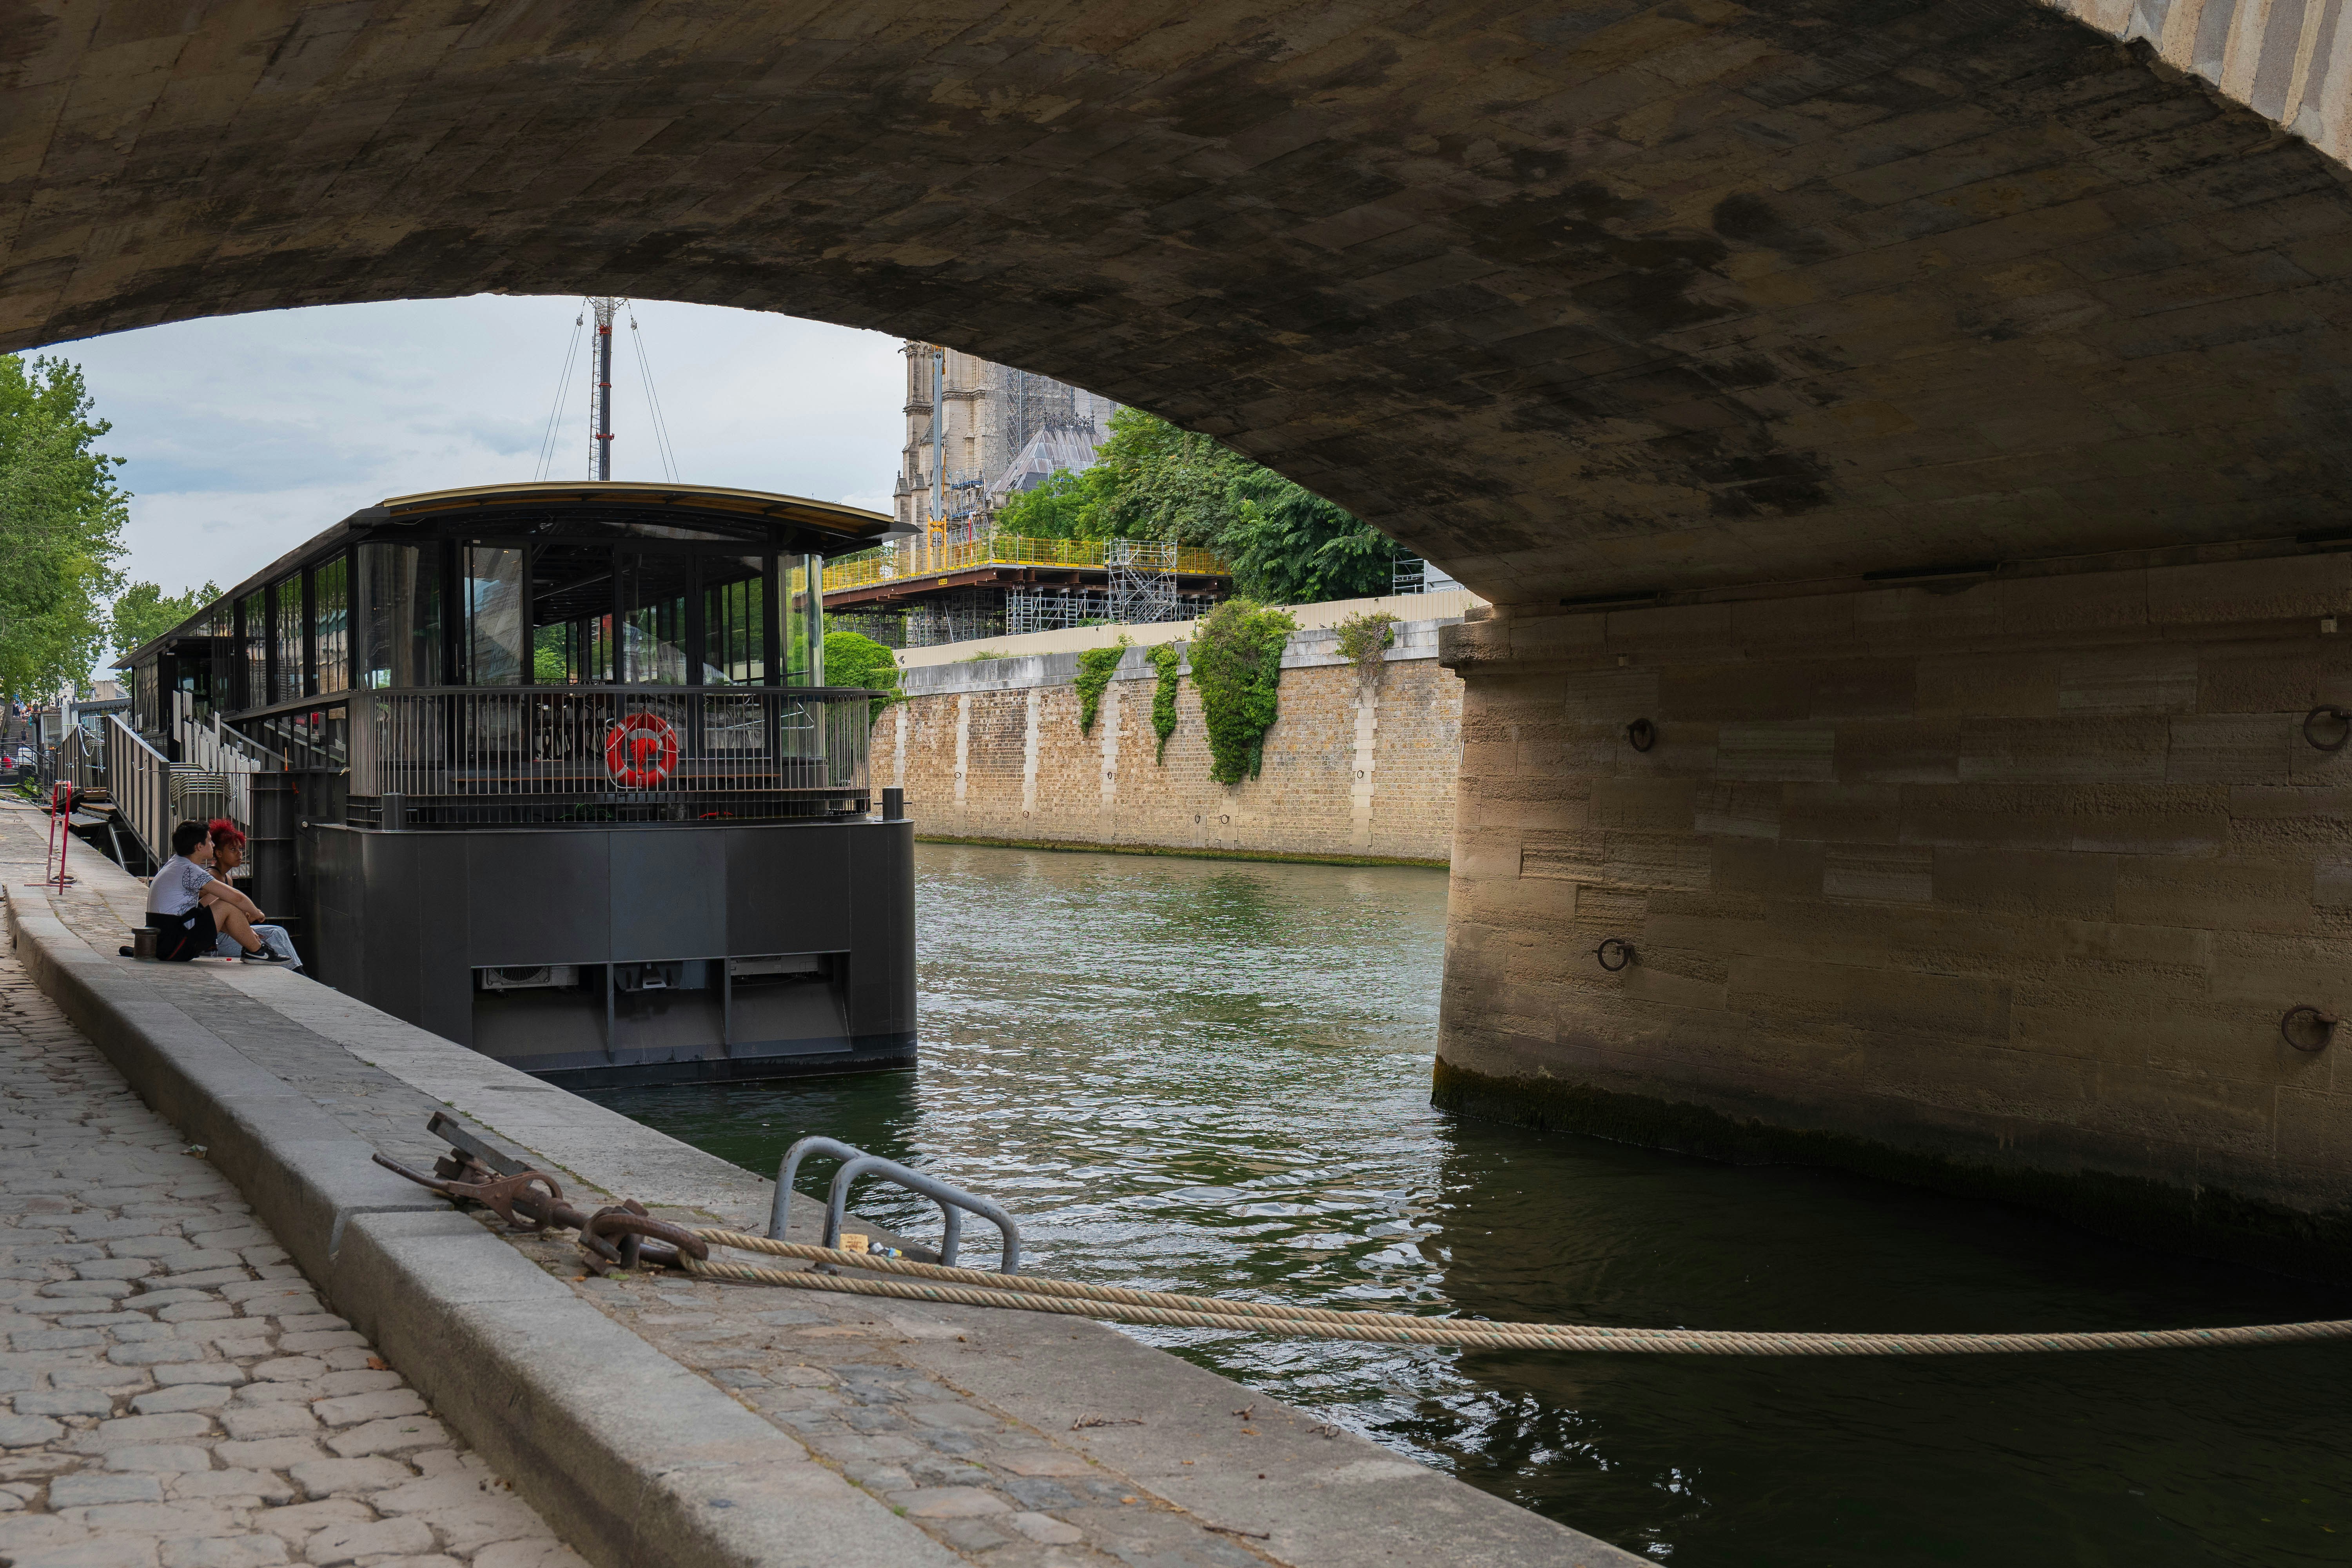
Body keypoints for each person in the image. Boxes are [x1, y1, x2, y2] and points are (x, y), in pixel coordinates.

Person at [136, 820, 285, 963]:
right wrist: (257, 914)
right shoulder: (189, 870)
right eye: (210, 841)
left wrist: (247, 931)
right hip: (175, 946)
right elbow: (237, 898)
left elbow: (207, 907)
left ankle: (253, 948)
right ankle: (258, 952)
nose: (213, 845)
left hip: (166, 942)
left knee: (216, 899)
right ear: (199, 846)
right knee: (227, 903)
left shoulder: (176, 864)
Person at [200, 820, 301, 968]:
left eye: (240, 849)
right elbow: (207, 913)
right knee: (269, 943)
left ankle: (298, 971)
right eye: (233, 850)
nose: (239, 854)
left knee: (277, 932)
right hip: (215, 940)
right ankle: (299, 975)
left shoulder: (227, 879)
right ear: (219, 853)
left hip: (227, 934)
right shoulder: (211, 877)